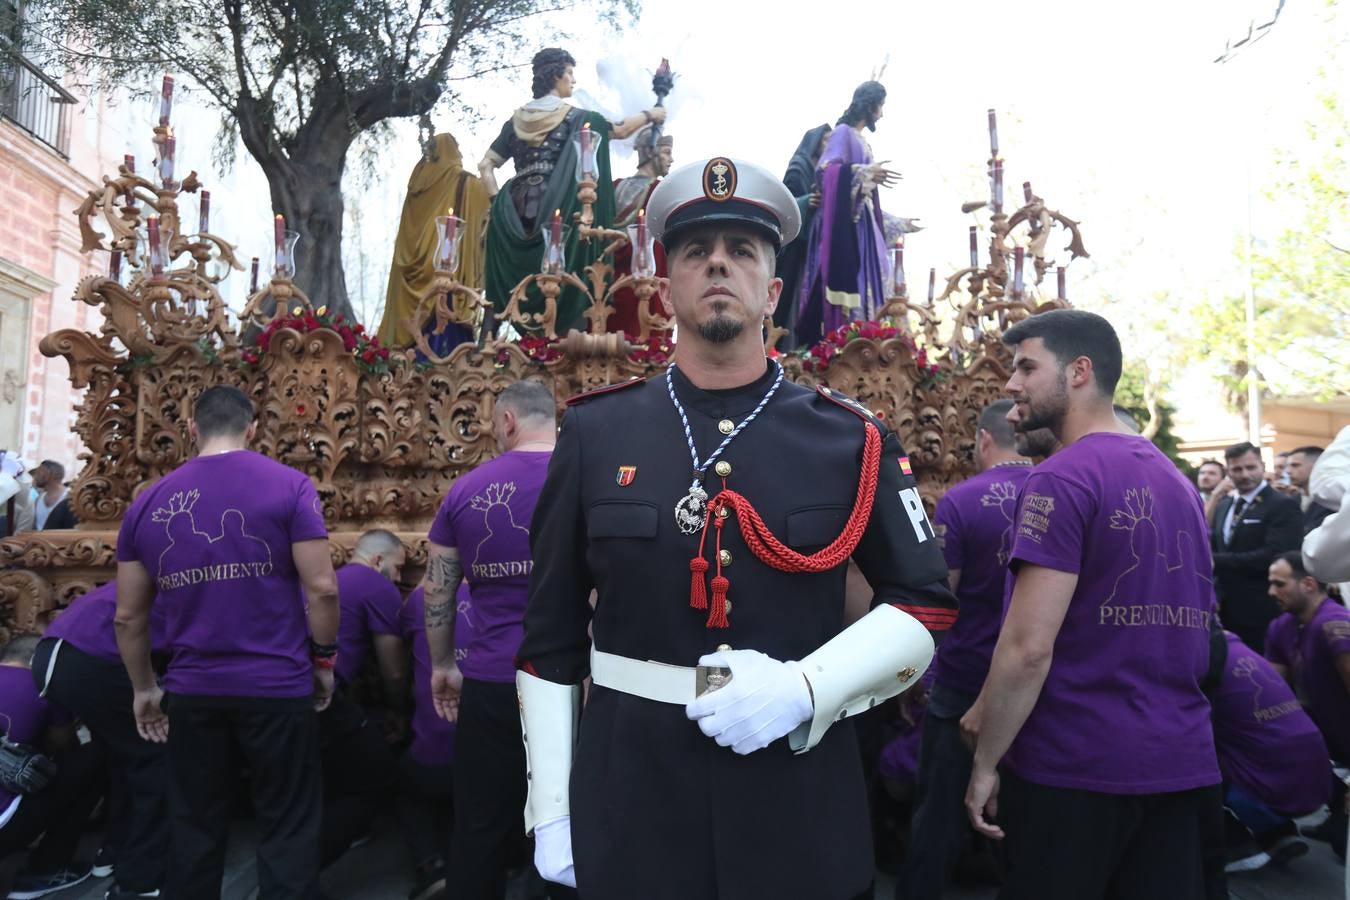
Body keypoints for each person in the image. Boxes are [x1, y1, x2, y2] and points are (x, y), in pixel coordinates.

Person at [513, 155, 954, 900]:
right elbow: (550, 637)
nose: (719, 263)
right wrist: (550, 811)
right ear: (666, 287)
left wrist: (807, 689)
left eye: (742, 250)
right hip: (634, 804)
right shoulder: (594, 434)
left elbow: (924, 602)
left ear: (772, 290)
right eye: (696, 251)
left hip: (798, 802)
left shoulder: (852, 438)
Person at [962, 309, 1221, 900]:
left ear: (1079, 372)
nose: (1011, 384)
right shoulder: (1178, 481)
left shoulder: (1061, 478)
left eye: (1027, 366)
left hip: (1076, 769)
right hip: (1179, 760)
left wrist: (985, 761)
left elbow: (1029, 647)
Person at [114, 384, 339, 899]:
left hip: (194, 689)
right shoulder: (290, 486)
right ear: (253, 429)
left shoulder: (148, 501)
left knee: (193, 826)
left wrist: (144, 689)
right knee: (287, 825)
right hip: (277, 685)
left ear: (191, 429)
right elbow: (322, 588)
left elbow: (128, 617)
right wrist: (323, 662)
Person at [422, 378, 559, 899]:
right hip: (570, 677)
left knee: (479, 822)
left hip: (491, 679)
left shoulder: (467, 489)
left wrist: (442, 665)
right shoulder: (584, 479)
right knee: (573, 814)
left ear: (506, 421)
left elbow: (437, 588)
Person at [895, 399, 1034, 900]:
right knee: (1026, 810)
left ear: (982, 440)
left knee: (938, 811)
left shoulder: (961, 501)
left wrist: (915, 677)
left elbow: (940, 598)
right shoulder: (1057, 492)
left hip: (963, 678)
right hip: (1033, 683)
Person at [480, 48, 665, 335]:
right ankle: (568, 333)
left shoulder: (514, 122)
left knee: (502, 282)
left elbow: (485, 165)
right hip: (556, 205)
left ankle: (487, 343)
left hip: (512, 209)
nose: (573, 80)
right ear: (556, 75)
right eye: (569, 74)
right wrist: (652, 114)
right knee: (572, 268)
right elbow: (620, 130)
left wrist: (496, 204)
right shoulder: (578, 117)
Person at [35, 582, 169, 900]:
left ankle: (111, 853)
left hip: (53, 653)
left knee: (121, 757)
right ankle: (140, 881)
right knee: (159, 756)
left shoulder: (151, 568)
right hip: (95, 658)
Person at [1206, 628, 1327, 877]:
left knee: (1191, 756)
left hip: (1277, 777)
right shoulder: (1240, 649)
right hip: (1317, 770)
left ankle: (1241, 843)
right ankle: (1278, 832)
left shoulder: (1205, 657)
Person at [319, 530, 406, 869]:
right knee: (377, 775)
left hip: (291, 693)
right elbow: (394, 670)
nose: (399, 578)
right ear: (377, 560)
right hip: (327, 697)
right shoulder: (377, 586)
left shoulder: (333, 579)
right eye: (398, 568)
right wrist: (399, 710)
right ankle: (304, 869)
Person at [794, 82, 900, 344]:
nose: (882, 114)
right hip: (844, 227)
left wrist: (899, 224)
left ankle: (869, 338)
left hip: (860, 224)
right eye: (881, 106)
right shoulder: (843, 133)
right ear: (871, 104)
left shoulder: (860, 139)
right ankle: (846, 342)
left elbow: (867, 201)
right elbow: (826, 172)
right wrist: (864, 172)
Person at [0, 635, 103, 899]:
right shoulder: (43, 688)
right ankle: (46, 869)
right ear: (39, 661)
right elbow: (62, 746)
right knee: (88, 759)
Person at [1265, 550, 1350, 858]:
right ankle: (1336, 817)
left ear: (1309, 584)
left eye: (1279, 583)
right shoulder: (1280, 627)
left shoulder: (1336, 626)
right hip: (1325, 740)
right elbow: (1272, 690)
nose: (1271, 591)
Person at [377, 132, 491, 354]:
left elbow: (406, 240)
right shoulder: (465, 182)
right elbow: (488, 214)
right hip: (448, 282)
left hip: (407, 288)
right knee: (446, 358)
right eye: (457, 147)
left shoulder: (416, 188)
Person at [395, 583, 464, 900]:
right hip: (497, 747)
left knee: (409, 782)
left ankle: (431, 865)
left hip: (434, 749)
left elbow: (395, 671)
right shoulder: (510, 592)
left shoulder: (418, 599)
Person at [1210, 442, 1302, 652]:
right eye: (1237, 469)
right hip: (1226, 610)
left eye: (1250, 467)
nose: (1244, 474)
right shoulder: (1224, 506)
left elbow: (1275, 555)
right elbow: (1217, 546)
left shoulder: (1282, 505)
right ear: (1228, 471)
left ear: (1262, 466)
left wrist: (1216, 561)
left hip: (1264, 608)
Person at [607, 126, 675, 339]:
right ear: (649, 151)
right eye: (666, 152)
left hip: (611, 288)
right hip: (643, 288)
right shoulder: (662, 191)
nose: (671, 159)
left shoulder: (613, 187)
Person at [772, 122, 831, 344]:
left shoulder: (825, 171)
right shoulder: (799, 167)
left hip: (814, 250)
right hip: (794, 253)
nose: (830, 145)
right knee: (792, 303)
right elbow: (782, 207)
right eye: (826, 140)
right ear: (815, 143)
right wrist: (807, 202)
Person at [1286, 445, 1333, 535]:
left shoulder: (1332, 501)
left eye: (1295, 465)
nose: (1288, 471)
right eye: (1288, 466)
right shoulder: (1292, 500)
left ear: (1317, 466)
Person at [29, 462, 74, 530]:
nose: (35, 477)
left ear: (48, 474)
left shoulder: (71, 496)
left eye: (38, 473)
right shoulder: (38, 500)